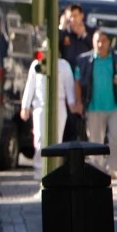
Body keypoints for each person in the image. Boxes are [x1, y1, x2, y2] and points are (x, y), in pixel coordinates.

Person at [74, 31, 117, 178]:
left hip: (114, 107)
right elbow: (78, 82)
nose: (100, 44)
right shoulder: (84, 60)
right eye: (97, 41)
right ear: (93, 42)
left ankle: (110, 167)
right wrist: (78, 101)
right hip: (93, 107)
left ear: (109, 42)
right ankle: (96, 169)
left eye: (103, 41)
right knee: (95, 140)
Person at [20, 40, 78, 178]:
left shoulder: (63, 65)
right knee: (39, 139)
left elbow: (69, 86)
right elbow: (30, 86)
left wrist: (72, 103)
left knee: (56, 139)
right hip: (40, 106)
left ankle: (54, 170)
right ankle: (40, 170)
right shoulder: (36, 65)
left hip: (59, 106)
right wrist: (25, 106)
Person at [59, 4, 94, 141]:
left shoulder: (90, 32)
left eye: (75, 16)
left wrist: (83, 35)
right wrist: (61, 28)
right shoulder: (64, 34)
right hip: (68, 81)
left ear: (82, 16)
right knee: (70, 118)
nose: (72, 20)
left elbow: (98, 47)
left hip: (86, 81)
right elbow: (52, 46)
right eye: (70, 17)